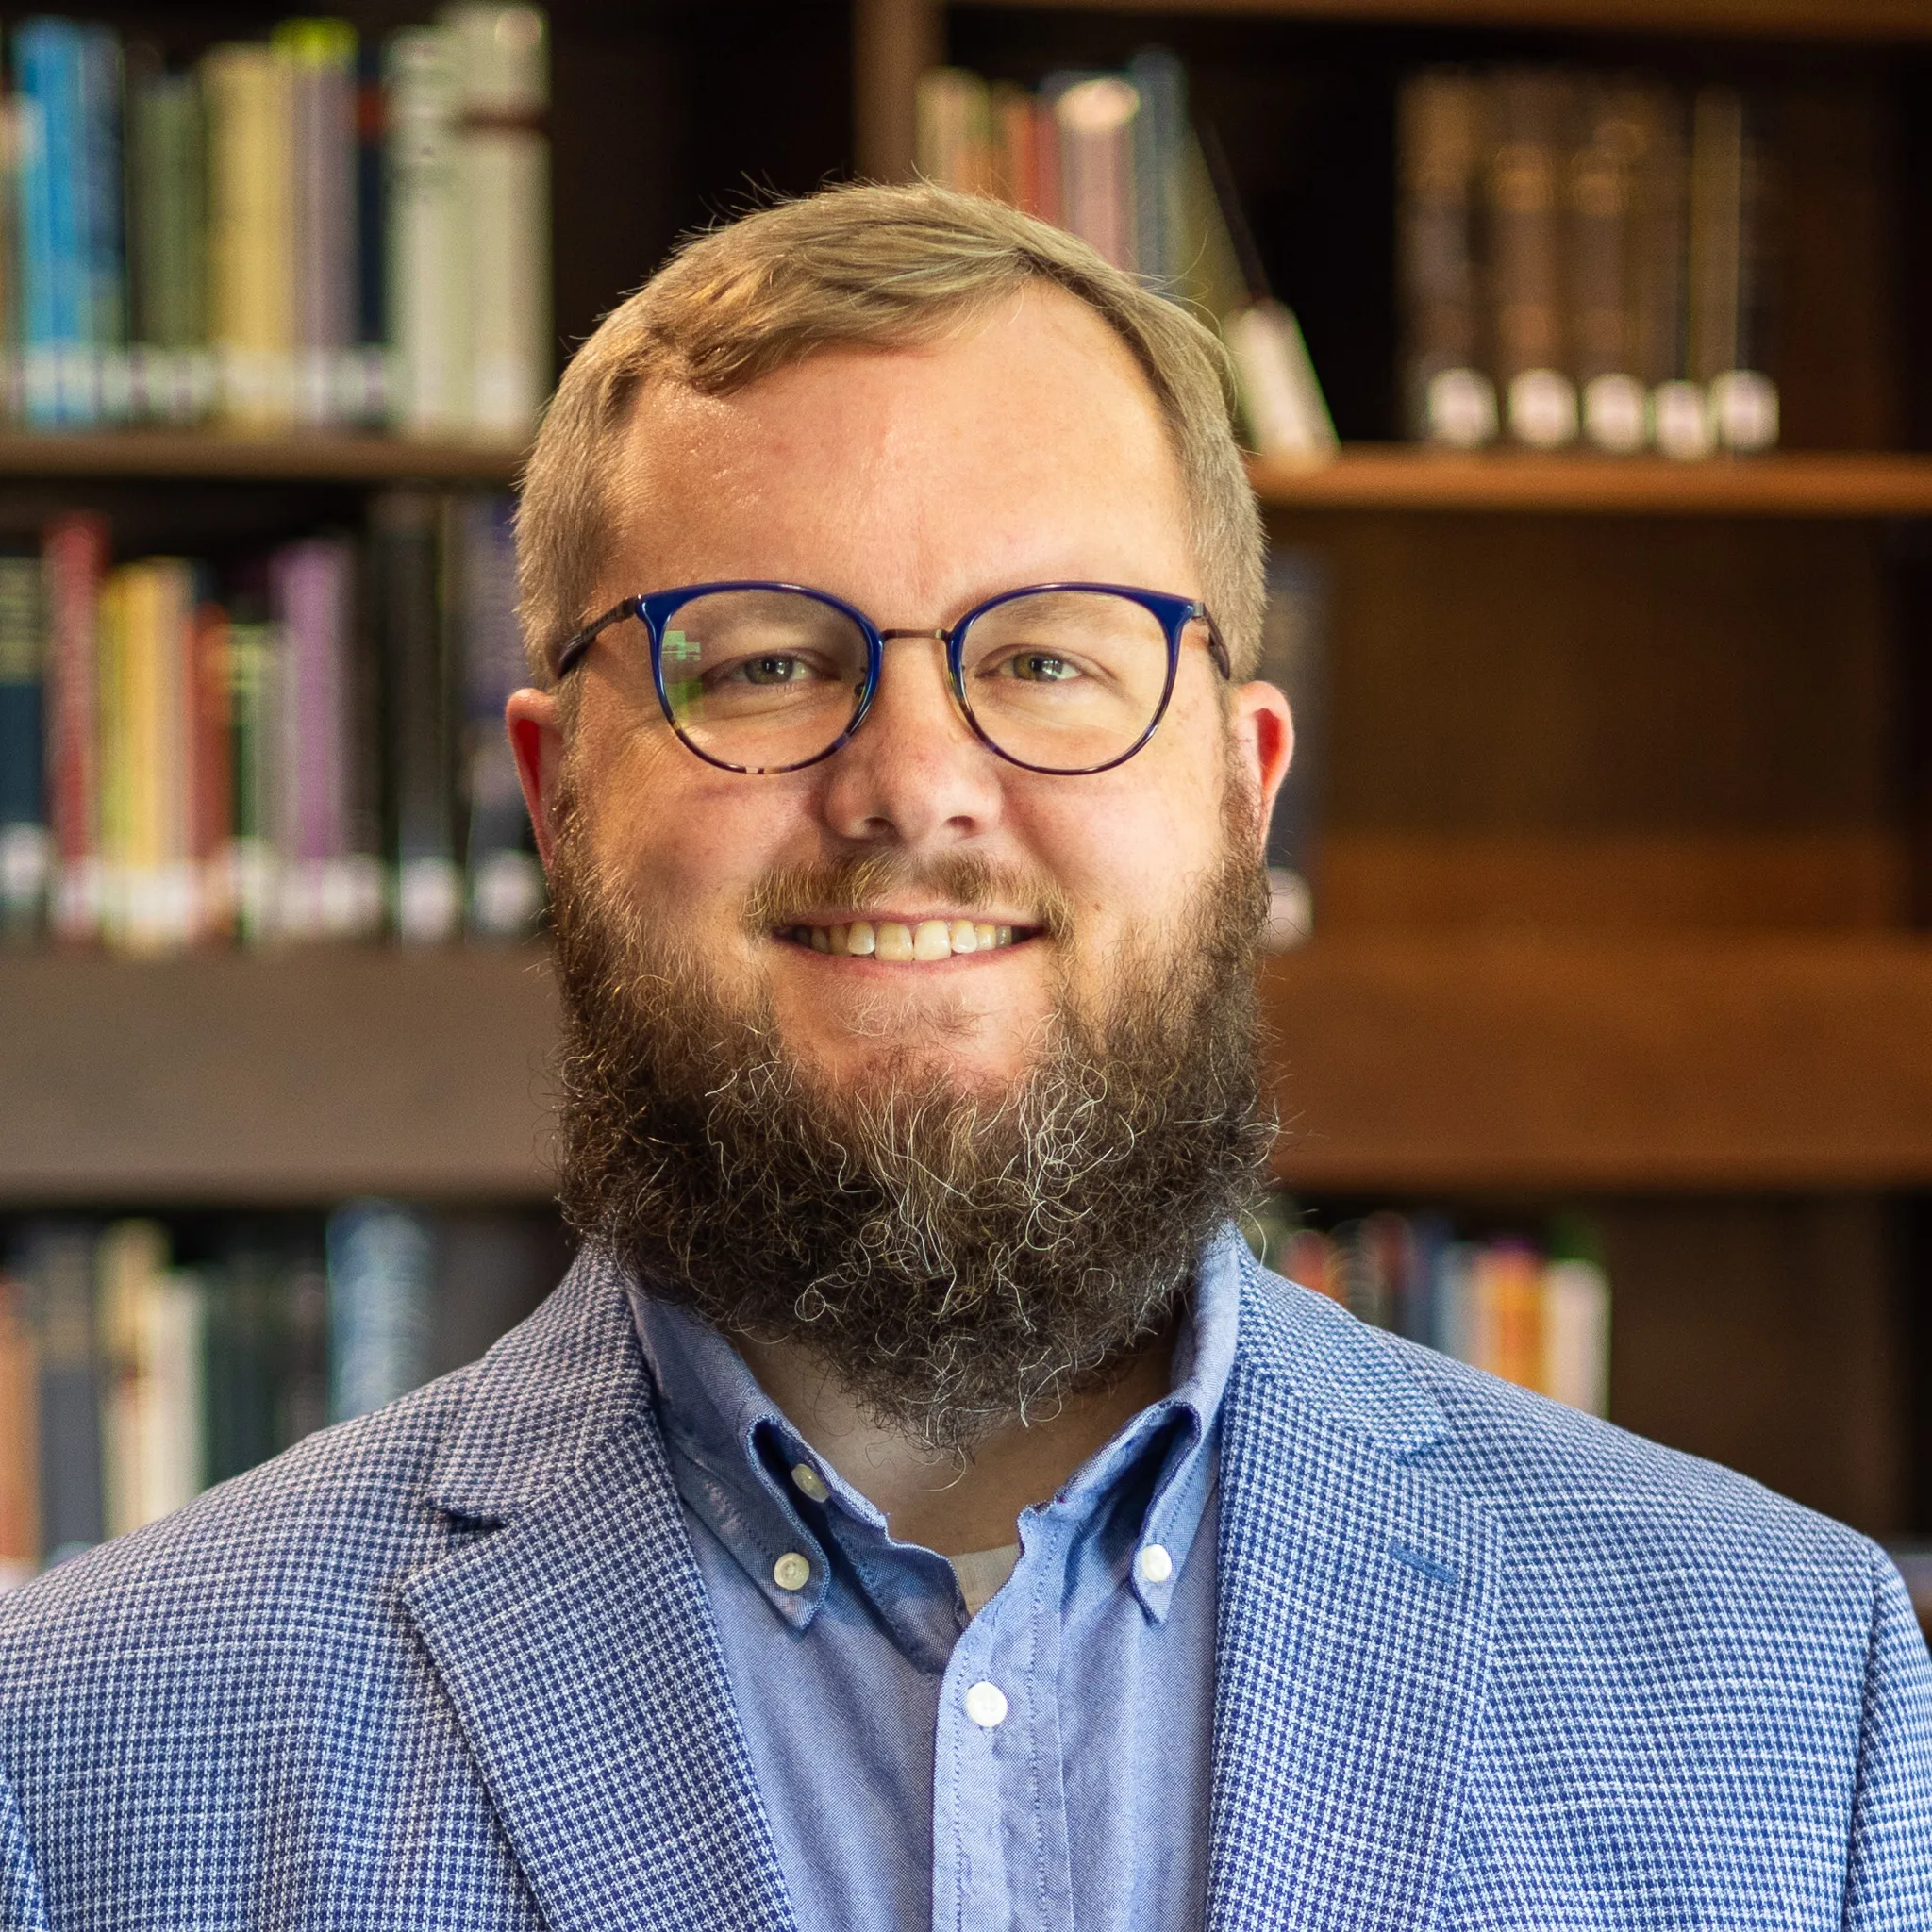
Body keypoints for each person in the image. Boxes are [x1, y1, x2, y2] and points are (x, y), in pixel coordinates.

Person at [2, 183, 1928, 1932]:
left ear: (1246, 792)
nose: (914, 783)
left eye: (1047, 662)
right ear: (558, 790)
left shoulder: (1783, 1685)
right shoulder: (89, 1745)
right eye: (761, 660)